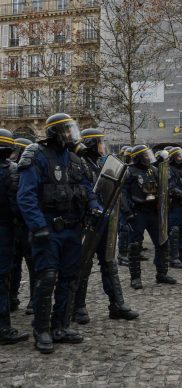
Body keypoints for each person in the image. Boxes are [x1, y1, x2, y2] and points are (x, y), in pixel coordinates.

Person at [17, 113, 100, 353]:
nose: (70, 134)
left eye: (71, 130)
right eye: (66, 130)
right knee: (47, 278)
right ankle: (41, 329)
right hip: (49, 229)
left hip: (73, 229)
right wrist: (38, 226)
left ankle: (60, 326)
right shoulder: (37, 155)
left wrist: (94, 206)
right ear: (54, 132)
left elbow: (86, 187)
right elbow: (26, 195)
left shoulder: (75, 159)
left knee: (68, 278)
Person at [72, 129, 138, 324]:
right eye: (100, 142)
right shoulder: (80, 164)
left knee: (109, 262)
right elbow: (85, 190)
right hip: (87, 221)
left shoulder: (98, 164)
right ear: (92, 144)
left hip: (103, 220)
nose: (103, 146)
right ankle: (79, 307)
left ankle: (117, 305)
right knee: (84, 264)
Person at [121, 144, 176, 289]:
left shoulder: (154, 170)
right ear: (138, 158)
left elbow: (164, 186)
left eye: (148, 155)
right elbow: (122, 194)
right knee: (135, 245)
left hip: (153, 212)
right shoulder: (129, 172)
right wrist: (128, 212)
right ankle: (135, 278)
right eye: (145, 155)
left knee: (162, 242)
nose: (148, 157)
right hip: (138, 212)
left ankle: (162, 273)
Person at [0, 129, 29, 345]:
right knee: (3, 277)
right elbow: (17, 205)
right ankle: (3, 328)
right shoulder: (11, 171)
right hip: (6, 230)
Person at [9, 137, 35, 314]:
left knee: (30, 265)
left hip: (24, 226)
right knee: (16, 265)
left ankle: (30, 299)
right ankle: (14, 297)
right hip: (17, 226)